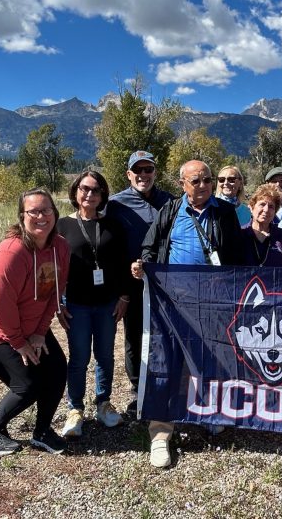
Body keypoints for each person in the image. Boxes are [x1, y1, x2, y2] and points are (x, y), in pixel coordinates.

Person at [131, 160, 243, 469]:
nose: (204, 185)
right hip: (173, 304)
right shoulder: (169, 211)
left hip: (212, 303)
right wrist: (142, 265)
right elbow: (149, 248)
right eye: (196, 181)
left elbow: (237, 256)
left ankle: (208, 414)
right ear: (183, 184)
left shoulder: (224, 212)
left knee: (210, 358)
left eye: (208, 179)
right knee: (168, 363)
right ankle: (160, 434)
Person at [0, 188, 69, 455]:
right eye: (33, 211)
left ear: (55, 213)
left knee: (57, 370)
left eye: (46, 209)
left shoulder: (60, 247)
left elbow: (53, 293)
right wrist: (19, 343)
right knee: (28, 385)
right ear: (22, 216)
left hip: (30, 328)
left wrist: (39, 332)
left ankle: (43, 431)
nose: (41, 216)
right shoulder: (10, 254)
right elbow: (2, 308)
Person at [57, 170, 131, 438]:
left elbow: (123, 263)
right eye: (85, 189)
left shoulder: (113, 225)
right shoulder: (62, 226)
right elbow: (51, 269)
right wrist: (56, 302)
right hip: (76, 303)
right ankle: (75, 409)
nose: (90, 194)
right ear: (75, 192)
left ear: (103, 195)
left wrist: (124, 296)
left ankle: (103, 403)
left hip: (107, 303)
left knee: (105, 356)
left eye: (96, 190)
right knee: (78, 358)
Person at [106, 151, 174, 412]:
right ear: (129, 174)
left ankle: (163, 385)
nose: (144, 175)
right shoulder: (115, 204)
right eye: (138, 170)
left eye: (149, 170)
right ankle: (138, 391)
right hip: (131, 285)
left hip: (164, 284)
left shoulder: (170, 201)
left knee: (164, 336)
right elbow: (109, 247)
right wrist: (121, 287)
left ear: (155, 173)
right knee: (134, 338)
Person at [240, 183, 282, 267]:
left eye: (271, 207)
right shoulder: (240, 234)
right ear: (251, 207)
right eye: (262, 204)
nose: (266, 210)